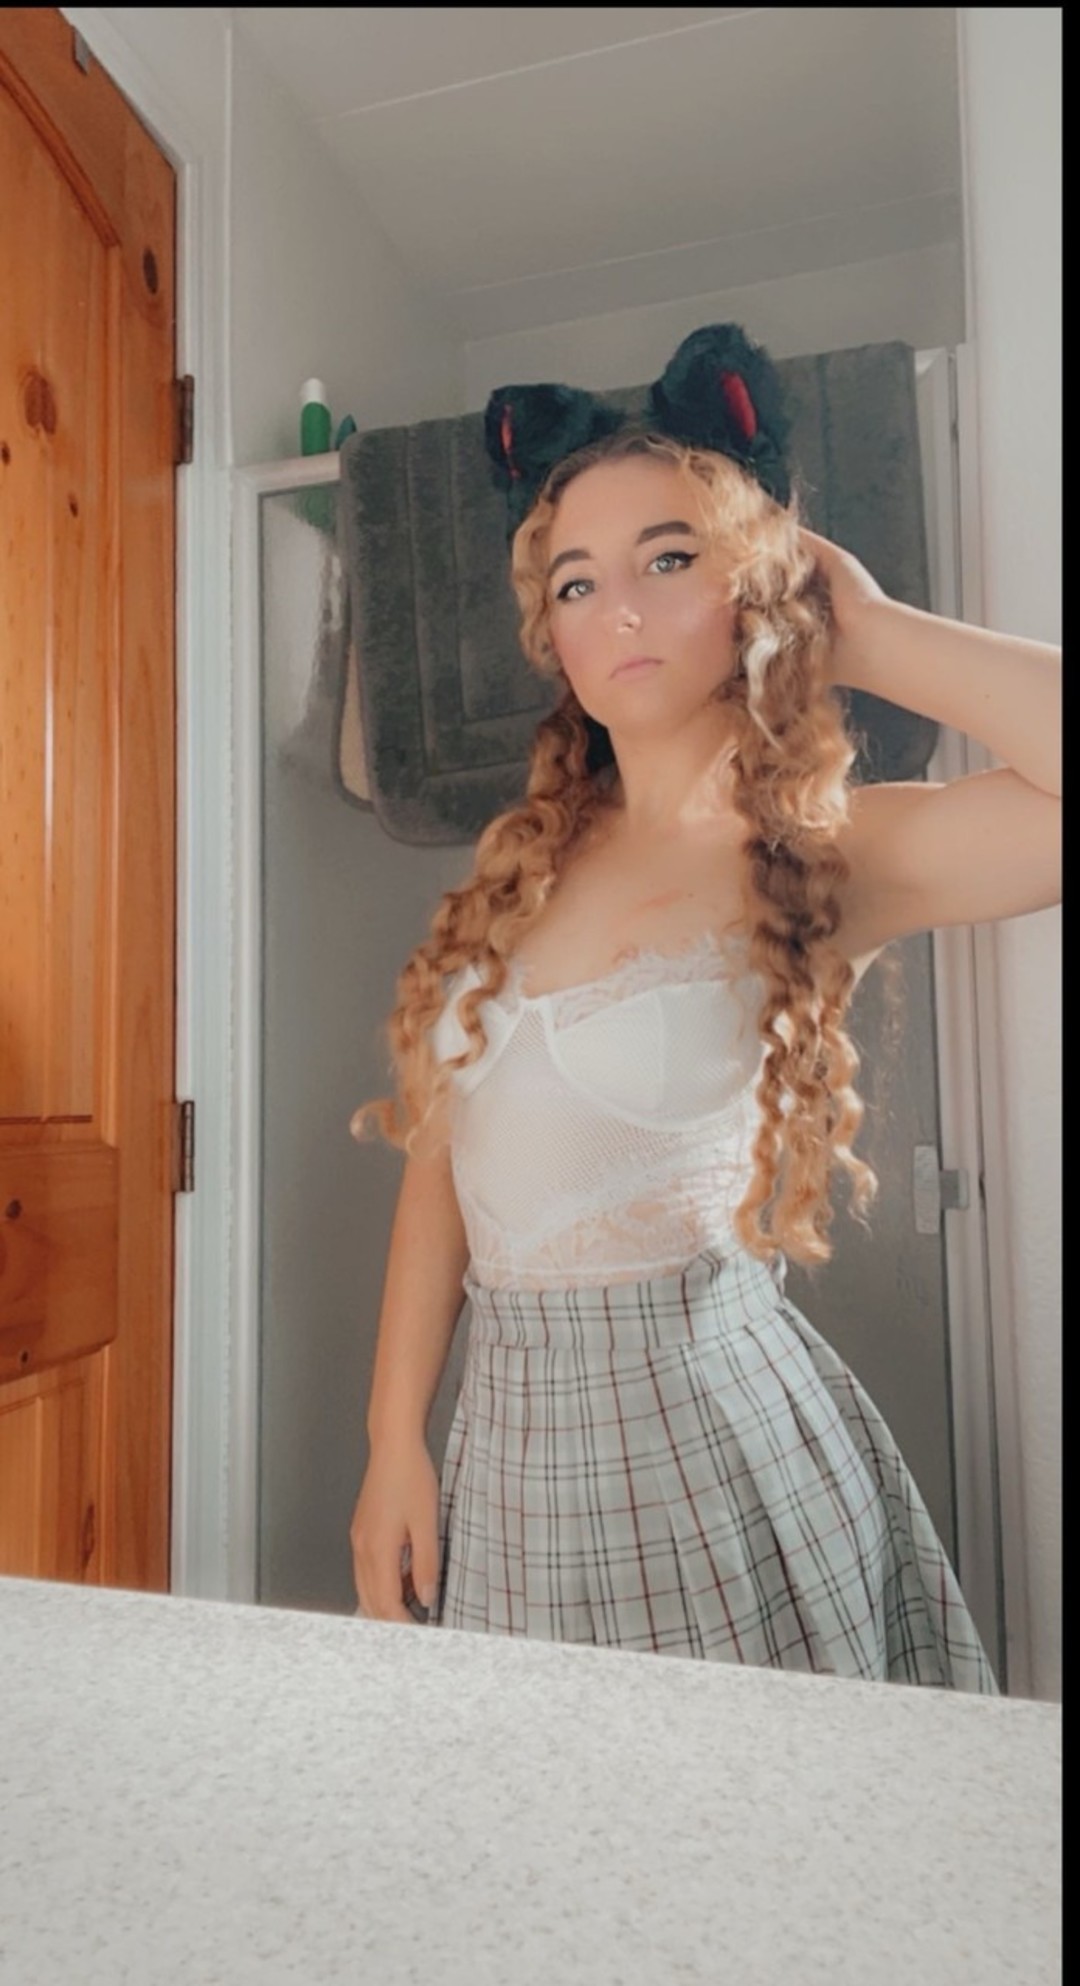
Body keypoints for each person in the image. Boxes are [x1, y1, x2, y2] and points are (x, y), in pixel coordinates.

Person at [348, 325, 1060, 1688]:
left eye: (668, 560)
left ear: (753, 586)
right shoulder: (523, 866)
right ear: (551, 634)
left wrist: (869, 631)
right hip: (510, 1454)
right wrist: (395, 1443)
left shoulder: (821, 853)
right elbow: (440, 1166)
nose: (617, 607)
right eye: (577, 581)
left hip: (713, 1451)